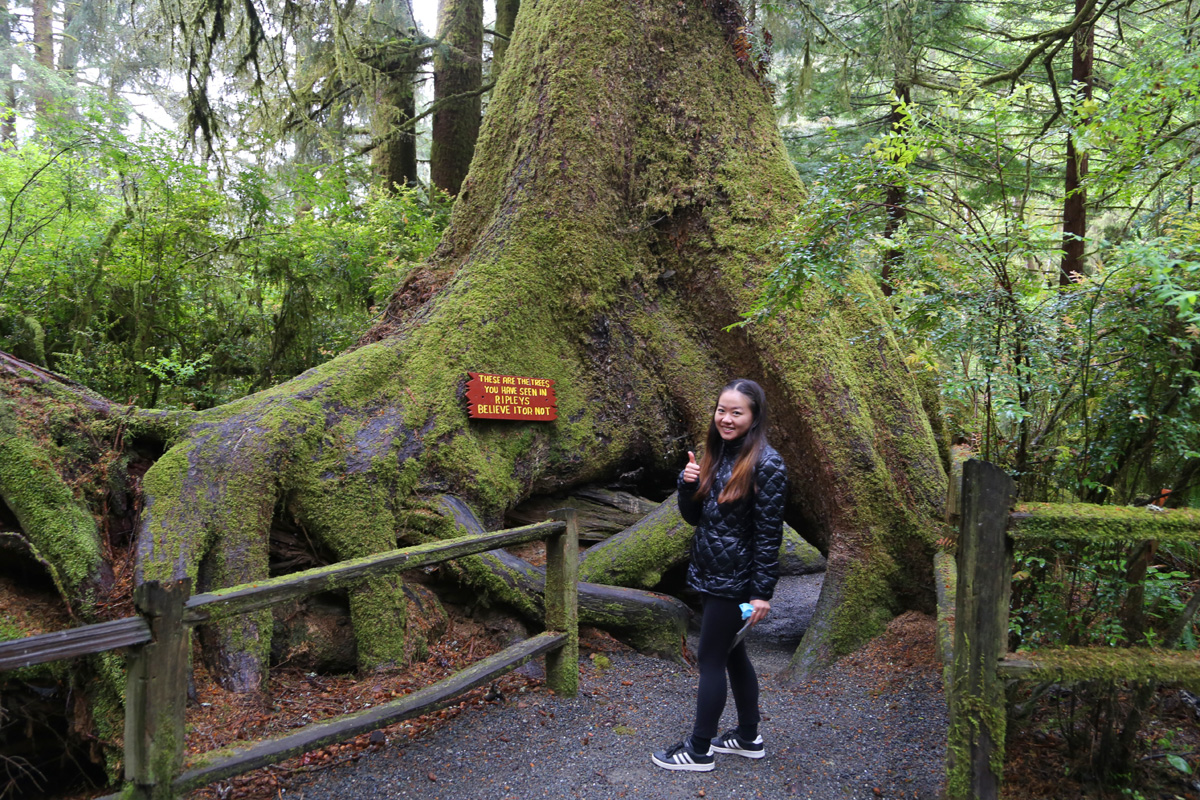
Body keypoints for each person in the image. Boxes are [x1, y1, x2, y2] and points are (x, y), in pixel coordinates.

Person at [651, 378, 788, 772]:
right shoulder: (719, 453)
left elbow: (769, 536)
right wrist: (686, 486)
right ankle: (747, 737)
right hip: (712, 574)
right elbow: (695, 518)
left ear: (754, 416)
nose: (726, 419)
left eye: (736, 412)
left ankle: (699, 750)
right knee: (732, 653)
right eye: (721, 410)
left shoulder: (768, 464)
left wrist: (761, 593)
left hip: (736, 581)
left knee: (710, 657)